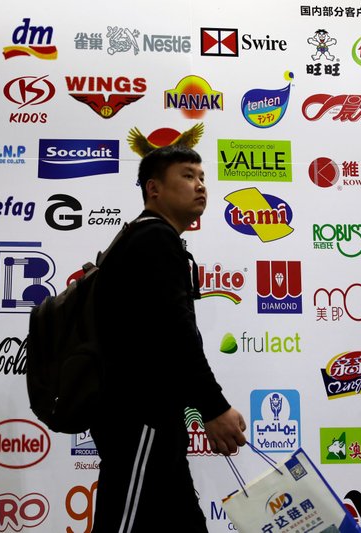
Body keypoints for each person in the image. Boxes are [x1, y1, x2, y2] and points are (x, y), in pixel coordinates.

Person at [90, 145, 247, 532]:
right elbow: (176, 335)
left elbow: (166, 334)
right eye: (188, 176)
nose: (200, 186)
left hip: (155, 416)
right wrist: (213, 407)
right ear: (154, 188)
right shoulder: (154, 240)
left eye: (202, 177)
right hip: (139, 415)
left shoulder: (149, 240)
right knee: (121, 522)